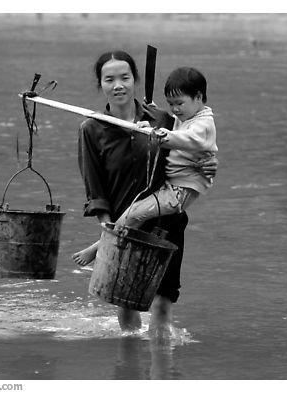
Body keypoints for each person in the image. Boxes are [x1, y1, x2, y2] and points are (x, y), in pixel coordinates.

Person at [73, 50, 217, 332]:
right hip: (122, 228)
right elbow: (95, 188)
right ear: (100, 84)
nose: (118, 85)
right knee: (127, 307)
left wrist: (208, 165)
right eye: (109, 79)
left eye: (125, 77)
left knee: (163, 305)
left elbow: (192, 150)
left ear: (134, 80)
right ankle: (130, 370)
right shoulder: (91, 128)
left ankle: (161, 370)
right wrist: (108, 232)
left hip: (165, 224)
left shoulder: (162, 118)